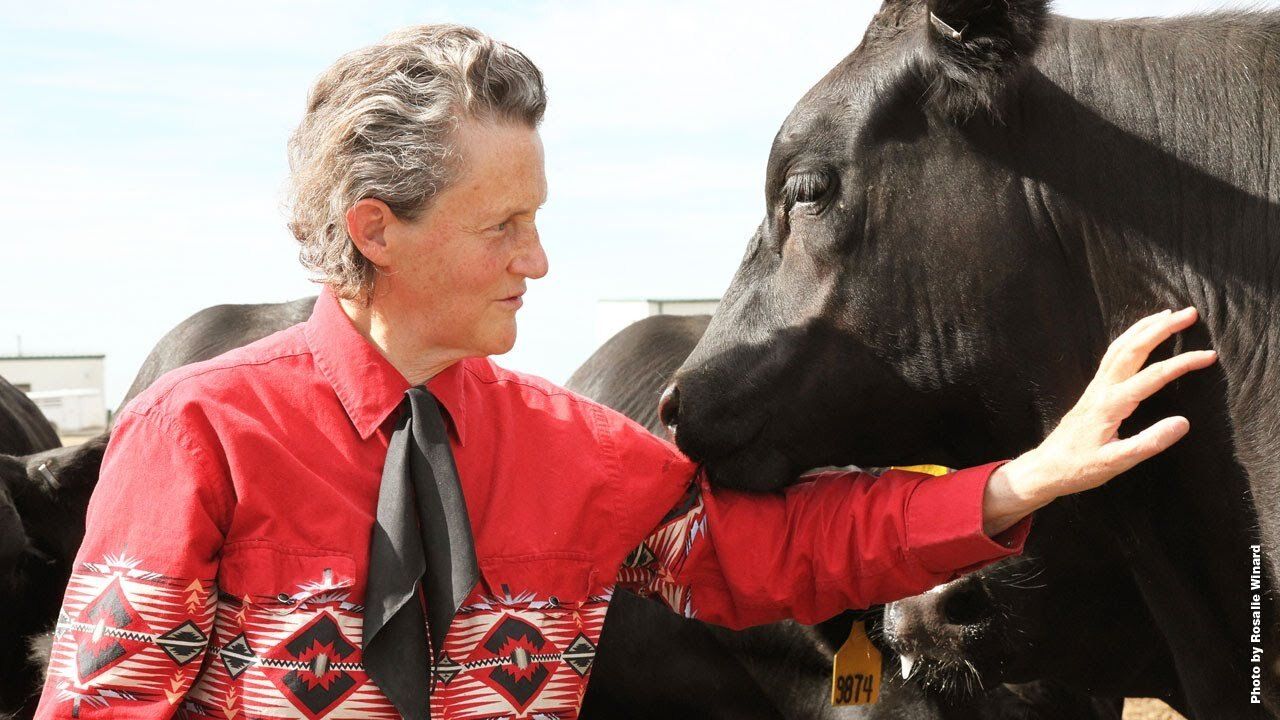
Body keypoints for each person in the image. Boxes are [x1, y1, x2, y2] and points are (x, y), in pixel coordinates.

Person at [32, 24, 1217, 720]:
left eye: (535, 218)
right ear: (376, 226)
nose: (537, 259)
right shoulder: (194, 437)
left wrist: (1025, 480)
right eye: (500, 226)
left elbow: (786, 552)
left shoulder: (577, 454)